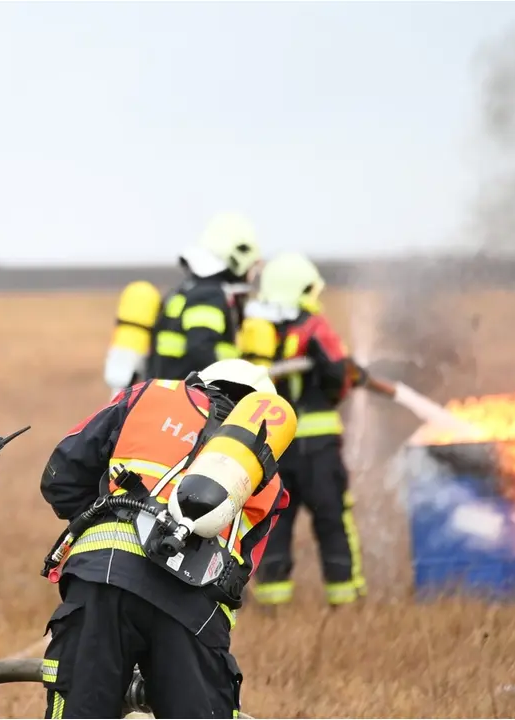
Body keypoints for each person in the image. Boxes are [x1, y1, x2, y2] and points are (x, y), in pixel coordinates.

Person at [37, 358, 291, 718]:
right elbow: (240, 577)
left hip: (101, 581)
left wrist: (104, 519)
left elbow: (60, 479)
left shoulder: (148, 395)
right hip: (192, 613)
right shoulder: (269, 480)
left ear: (199, 383)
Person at [237, 251, 367, 607]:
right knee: (332, 521)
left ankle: (271, 602)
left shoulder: (255, 329)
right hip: (318, 447)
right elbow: (337, 376)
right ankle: (345, 598)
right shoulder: (314, 327)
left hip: (273, 448)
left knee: (273, 524)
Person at [144, 213, 264, 383]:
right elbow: (200, 347)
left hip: (168, 392)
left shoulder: (188, 289)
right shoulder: (209, 295)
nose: (251, 274)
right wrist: (230, 386)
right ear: (238, 254)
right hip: (188, 399)